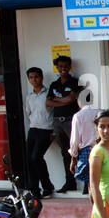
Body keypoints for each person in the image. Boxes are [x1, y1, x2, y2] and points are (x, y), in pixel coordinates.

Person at [46, 56, 81, 192]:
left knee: (77, 150)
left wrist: (57, 99)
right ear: (57, 67)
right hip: (57, 122)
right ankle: (70, 183)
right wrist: (62, 100)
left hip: (70, 120)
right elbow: (48, 103)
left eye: (65, 66)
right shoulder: (54, 84)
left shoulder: (74, 82)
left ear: (69, 67)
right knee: (64, 152)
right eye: (60, 66)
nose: (63, 69)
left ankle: (86, 183)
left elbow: (71, 99)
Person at [23, 66, 55, 198]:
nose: (34, 80)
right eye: (31, 77)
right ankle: (34, 190)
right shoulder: (29, 97)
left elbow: (53, 111)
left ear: (41, 77)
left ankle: (47, 186)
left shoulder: (49, 93)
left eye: (36, 77)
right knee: (29, 159)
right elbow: (28, 112)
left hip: (46, 129)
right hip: (33, 129)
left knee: (36, 157)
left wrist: (54, 132)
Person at [67, 102, 99, 194]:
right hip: (102, 149)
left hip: (87, 152)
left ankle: (95, 206)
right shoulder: (102, 113)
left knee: (91, 185)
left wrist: (73, 159)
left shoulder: (78, 116)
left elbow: (75, 140)